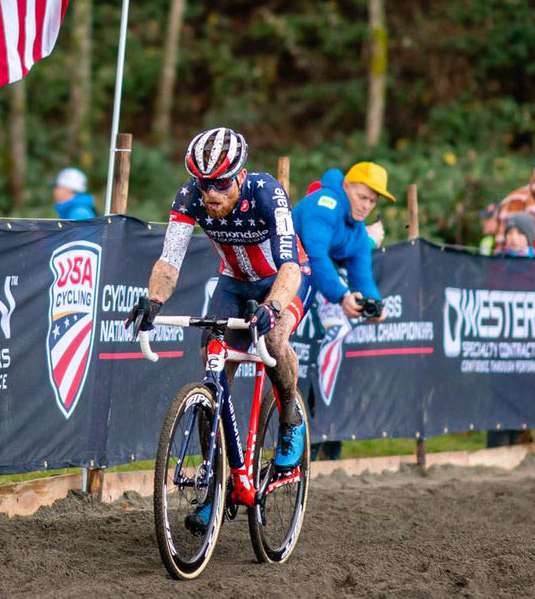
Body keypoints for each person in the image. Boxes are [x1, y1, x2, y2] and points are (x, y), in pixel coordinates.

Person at [125, 127, 311, 533]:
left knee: (276, 340)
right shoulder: (190, 196)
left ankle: (290, 418)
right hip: (233, 283)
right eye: (204, 183)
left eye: (222, 185)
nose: (211, 194)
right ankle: (216, 487)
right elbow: (169, 261)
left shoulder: (266, 192)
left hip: (284, 278)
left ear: (241, 177)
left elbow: (291, 267)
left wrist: (274, 306)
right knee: (213, 374)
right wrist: (153, 301)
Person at [292, 161, 391, 460]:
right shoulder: (327, 204)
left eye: (373, 202)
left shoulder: (356, 229)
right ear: (347, 187)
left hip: (299, 273)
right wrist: (341, 295)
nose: (367, 206)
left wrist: (375, 304)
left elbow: (363, 275)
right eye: (363, 197)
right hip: (277, 266)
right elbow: (316, 255)